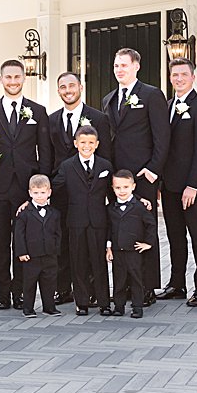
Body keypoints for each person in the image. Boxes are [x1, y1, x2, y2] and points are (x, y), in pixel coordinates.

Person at [0, 60, 50, 310]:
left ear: (23, 78)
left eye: (17, 77)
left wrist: (42, 183)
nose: (13, 82)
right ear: (1, 80)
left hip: (24, 188)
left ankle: (20, 293)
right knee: (0, 242)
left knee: (22, 242)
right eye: (8, 77)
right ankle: (2, 294)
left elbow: (45, 151)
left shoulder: (37, 112)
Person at [101, 48, 169, 304]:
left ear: (136, 67)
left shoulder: (151, 95)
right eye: (116, 66)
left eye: (124, 66)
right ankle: (126, 286)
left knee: (144, 230)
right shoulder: (109, 99)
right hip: (117, 180)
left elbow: (162, 136)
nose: (119, 70)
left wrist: (153, 170)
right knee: (121, 231)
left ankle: (147, 287)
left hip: (143, 177)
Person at [46, 70, 112, 303]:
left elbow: (106, 157)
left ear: (80, 88)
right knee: (63, 240)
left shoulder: (99, 118)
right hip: (61, 190)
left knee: (91, 242)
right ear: (58, 91)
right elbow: (47, 156)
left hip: (89, 192)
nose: (67, 91)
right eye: (63, 87)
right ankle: (63, 288)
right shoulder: (51, 119)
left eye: (71, 86)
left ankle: (93, 291)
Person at [159, 59, 197, 307]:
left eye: (183, 74)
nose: (178, 78)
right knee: (174, 235)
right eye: (175, 75)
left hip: (191, 186)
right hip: (169, 184)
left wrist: (194, 184)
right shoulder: (167, 106)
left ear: (193, 77)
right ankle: (176, 284)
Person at [53, 124, 111, 315]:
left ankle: (104, 302)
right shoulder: (67, 166)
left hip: (98, 222)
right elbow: (55, 189)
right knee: (78, 262)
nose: (87, 146)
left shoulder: (105, 166)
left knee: (98, 262)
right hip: (76, 221)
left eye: (91, 143)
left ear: (97, 144)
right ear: (76, 143)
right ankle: (82, 303)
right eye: (83, 142)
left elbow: (114, 191)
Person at [105, 170, 155, 318]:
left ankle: (137, 307)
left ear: (133, 186)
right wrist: (108, 248)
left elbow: (151, 225)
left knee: (136, 278)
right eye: (118, 188)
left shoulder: (140, 207)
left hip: (134, 250)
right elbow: (109, 229)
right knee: (118, 279)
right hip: (117, 250)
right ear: (113, 188)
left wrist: (148, 243)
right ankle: (119, 306)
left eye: (125, 187)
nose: (122, 191)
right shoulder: (110, 208)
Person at [13, 174, 62, 316]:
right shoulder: (24, 213)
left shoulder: (55, 213)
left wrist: (56, 250)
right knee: (29, 283)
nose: (39, 196)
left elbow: (58, 232)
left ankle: (49, 307)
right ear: (30, 193)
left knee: (50, 281)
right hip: (31, 255)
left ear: (49, 192)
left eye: (42, 192)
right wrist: (22, 252)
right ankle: (28, 308)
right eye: (35, 193)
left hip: (49, 254)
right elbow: (19, 235)